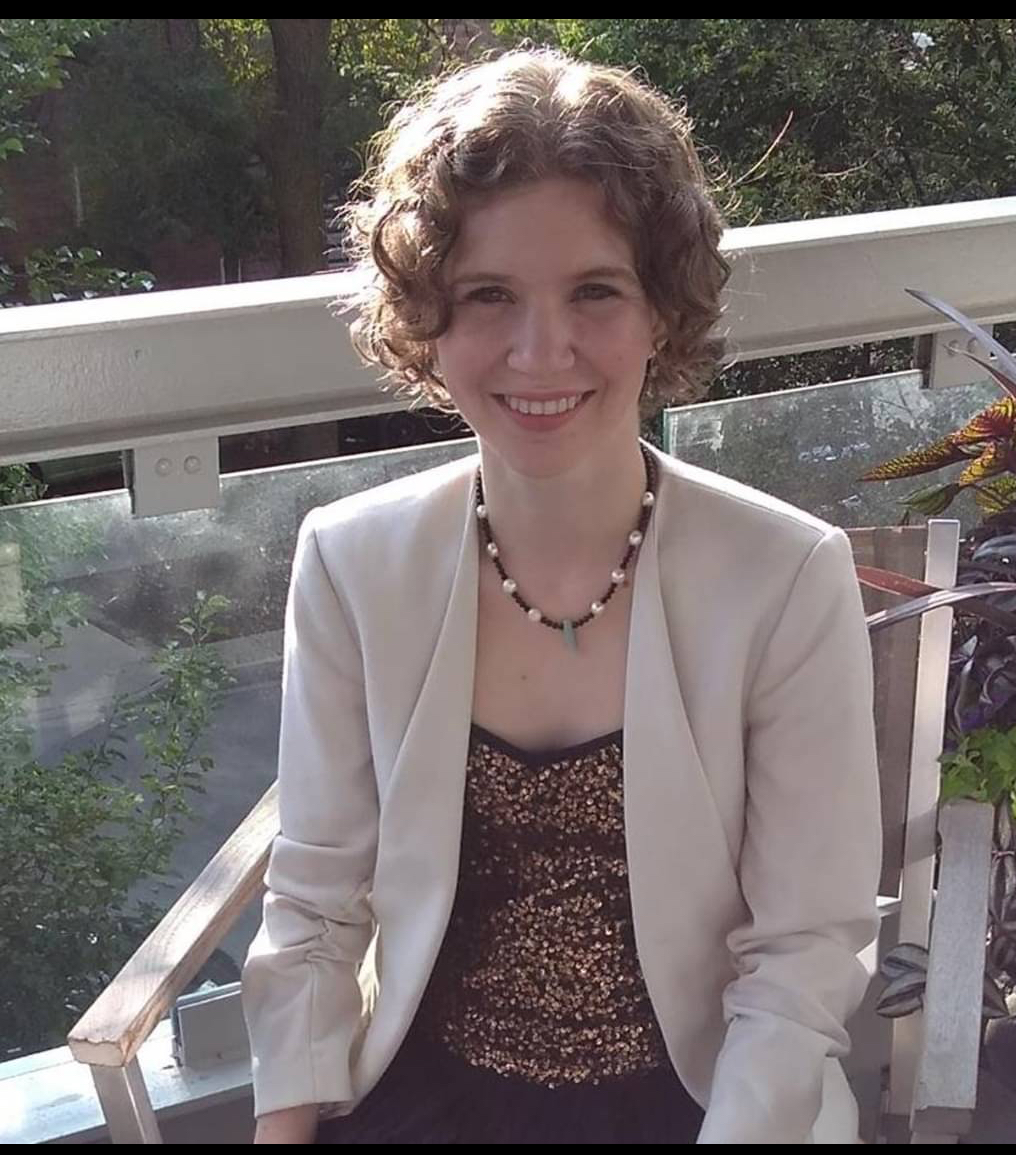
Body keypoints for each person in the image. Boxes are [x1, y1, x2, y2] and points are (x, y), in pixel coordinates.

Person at [243, 47, 882, 1145]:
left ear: (662, 314)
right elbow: (315, 903)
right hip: (425, 1097)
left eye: (596, 290)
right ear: (427, 322)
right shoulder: (352, 563)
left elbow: (803, 955)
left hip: (710, 1104)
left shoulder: (786, 576)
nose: (543, 352)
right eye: (489, 295)